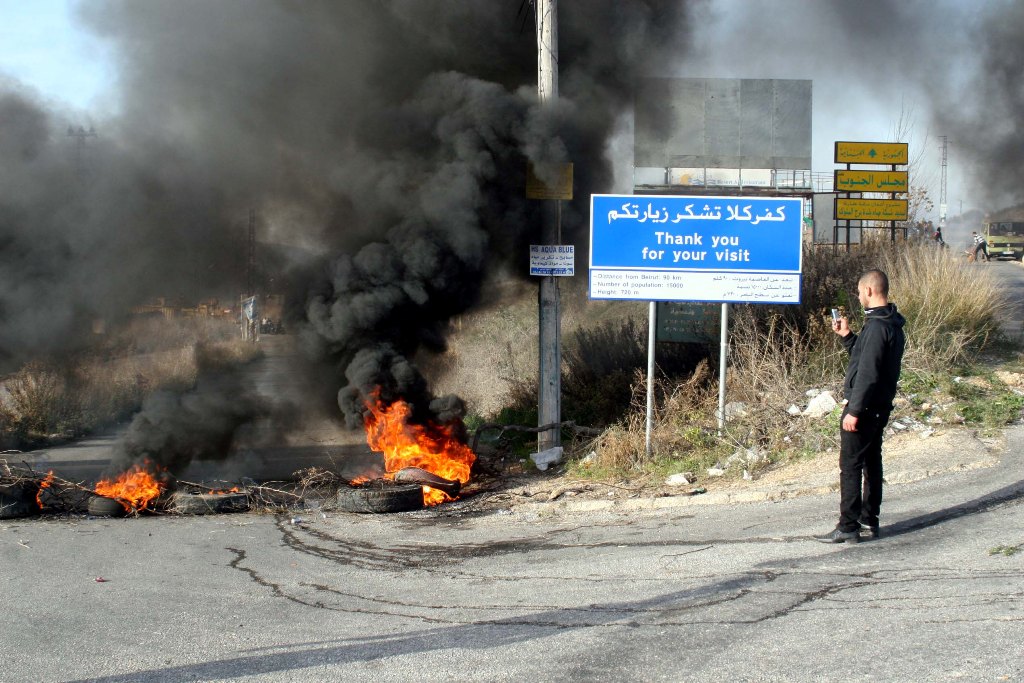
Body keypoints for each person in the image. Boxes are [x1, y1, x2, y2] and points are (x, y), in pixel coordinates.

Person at [817, 269, 906, 543]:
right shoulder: (886, 322)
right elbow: (865, 357)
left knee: (851, 466)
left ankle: (848, 526)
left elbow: (868, 374)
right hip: (877, 406)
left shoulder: (879, 326)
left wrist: (853, 411)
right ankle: (869, 521)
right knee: (871, 463)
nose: (857, 297)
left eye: (858, 291)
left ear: (869, 290)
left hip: (865, 408)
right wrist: (847, 336)